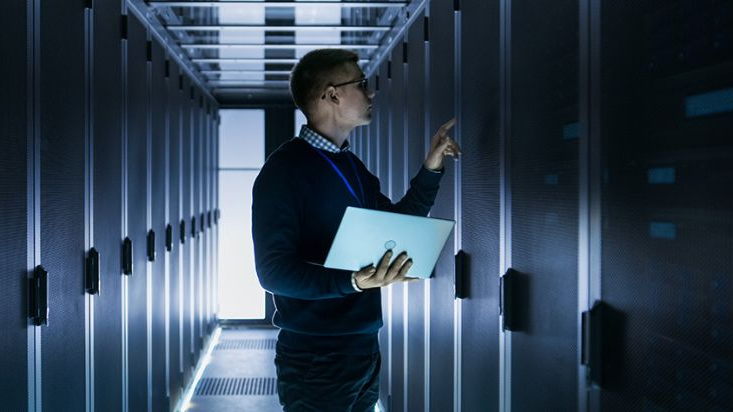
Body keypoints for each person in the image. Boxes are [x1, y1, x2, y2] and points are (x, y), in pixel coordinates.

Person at [251, 48, 461, 412]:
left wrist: (432, 166)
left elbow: (399, 222)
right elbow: (273, 273)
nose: (371, 93)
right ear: (333, 95)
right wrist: (353, 282)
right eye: (362, 84)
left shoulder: (351, 165)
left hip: (363, 347)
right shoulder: (283, 171)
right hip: (315, 356)